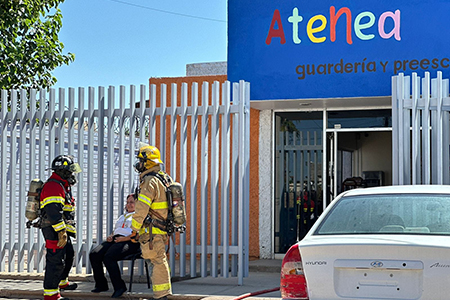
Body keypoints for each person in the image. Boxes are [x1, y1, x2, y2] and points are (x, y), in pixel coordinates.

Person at [129, 143, 172, 300]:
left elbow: (141, 209)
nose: (138, 164)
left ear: (147, 162)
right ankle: (162, 295)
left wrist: (134, 229)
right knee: (159, 260)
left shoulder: (149, 181)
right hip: (160, 228)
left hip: (152, 230)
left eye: (140, 160)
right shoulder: (164, 178)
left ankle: (162, 296)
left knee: (157, 261)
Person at [40, 155, 81, 300]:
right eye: (69, 171)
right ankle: (51, 295)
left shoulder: (62, 184)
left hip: (60, 230)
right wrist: (61, 231)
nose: (72, 174)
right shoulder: (53, 186)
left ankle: (62, 283)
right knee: (55, 260)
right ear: (62, 171)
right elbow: (53, 212)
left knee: (68, 254)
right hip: (54, 231)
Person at [89, 194, 141, 298]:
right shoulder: (122, 216)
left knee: (109, 256)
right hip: (117, 239)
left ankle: (119, 287)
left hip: (130, 242)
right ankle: (101, 284)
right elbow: (117, 230)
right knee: (94, 254)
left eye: (132, 202)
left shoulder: (139, 216)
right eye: (127, 202)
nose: (129, 204)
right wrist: (111, 236)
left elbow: (139, 235)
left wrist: (123, 239)